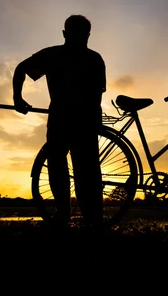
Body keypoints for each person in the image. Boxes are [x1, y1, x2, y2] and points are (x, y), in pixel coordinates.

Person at [12, 14, 106, 229]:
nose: (81, 40)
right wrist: (17, 97)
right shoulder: (85, 58)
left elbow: (96, 96)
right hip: (69, 120)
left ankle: (85, 217)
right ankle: (73, 215)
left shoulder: (74, 57)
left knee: (82, 171)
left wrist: (17, 97)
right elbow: (21, 69)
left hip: (74, 120)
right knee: (73, 169)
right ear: (66, 34)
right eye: (78, 35)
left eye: (83, 36)